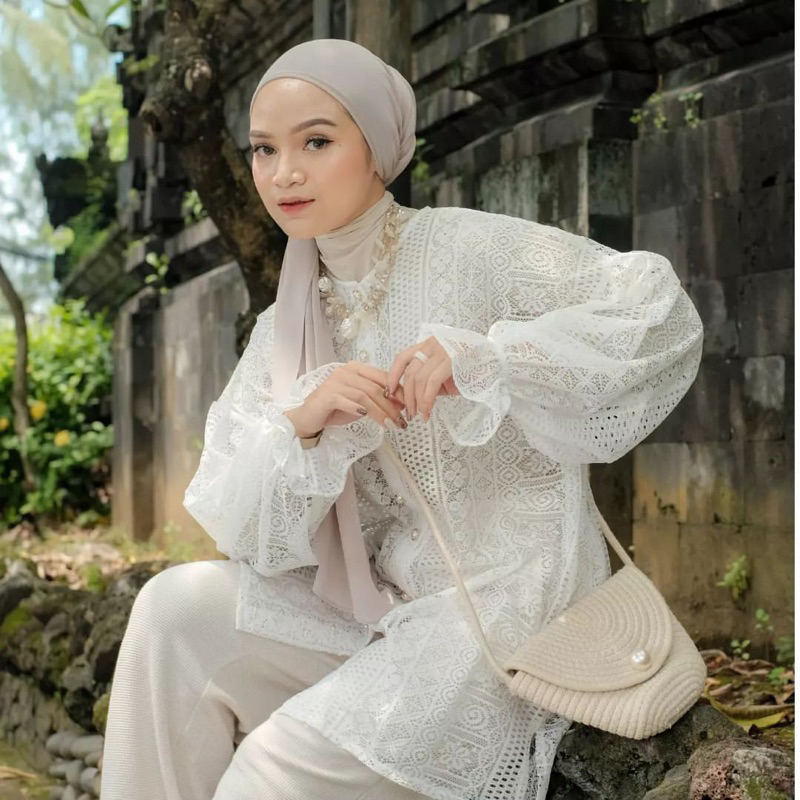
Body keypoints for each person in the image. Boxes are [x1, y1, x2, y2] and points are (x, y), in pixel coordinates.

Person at [99, 38, 703, 800]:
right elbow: (241, 529)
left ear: (377, 148)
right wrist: (303, 426)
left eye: (316, 142)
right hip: (375, 609)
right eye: (264, 149)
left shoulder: (466, 248)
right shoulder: (285, 325)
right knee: (172, 613)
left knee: (267, 773)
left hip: (502, 609)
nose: (283, 173)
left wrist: (487, 358)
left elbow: (656, 311)